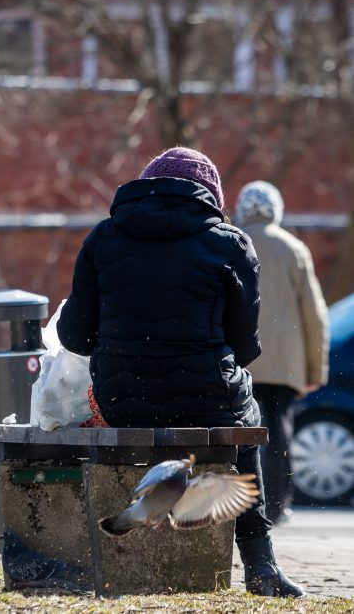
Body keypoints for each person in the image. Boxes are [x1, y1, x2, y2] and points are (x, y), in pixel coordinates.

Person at [57, 147, 304, 598]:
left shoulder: (102, 238)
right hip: (207, 396)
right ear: (210, 195)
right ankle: (260, 563)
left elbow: (74, 337)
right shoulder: (230, 243)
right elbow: (245, 348)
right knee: (244, 415)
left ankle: (92, 550)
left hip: (120, 395)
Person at [235, 180, 329, 524]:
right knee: (279, 430)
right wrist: (315, 370)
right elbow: (314, 315)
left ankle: (244, 503)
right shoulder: (293, 249)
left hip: (241, 359)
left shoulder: (232, 241)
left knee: (241, 430)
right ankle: (277, 504)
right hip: (285, 365)